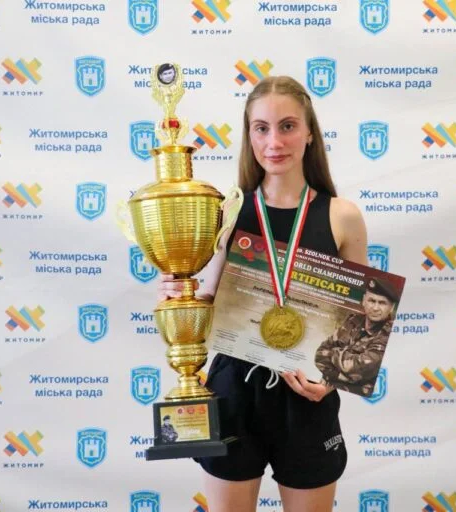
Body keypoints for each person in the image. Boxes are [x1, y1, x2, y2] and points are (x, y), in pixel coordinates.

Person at [157, 76, 368, 512]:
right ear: (249, 135)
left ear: (309, 133)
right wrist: (181, 293)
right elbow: (208, 303)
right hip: (235, 390)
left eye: (288, 126)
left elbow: (359, 323)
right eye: (261, 128)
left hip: (306, 395)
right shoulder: (226, 213)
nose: (274, 141)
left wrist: (331, 380)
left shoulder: (342, 216)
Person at [314, 278, 397, 396]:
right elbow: (319, 354)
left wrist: (332, 355)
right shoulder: (353, 321)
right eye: (371, 301)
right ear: (364, 301)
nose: (375, 308)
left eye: (382, 303)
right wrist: (348, 377)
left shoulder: (391, 333)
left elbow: (360, 368)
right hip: (329, 392)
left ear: (391, 307)